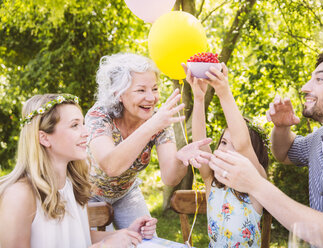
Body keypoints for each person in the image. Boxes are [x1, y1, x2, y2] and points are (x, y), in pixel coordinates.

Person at [208, 47, 323, 247]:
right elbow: (284, 153)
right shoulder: (321, 138)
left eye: (319, 79)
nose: (305, 87)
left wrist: (256, 184)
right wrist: (282, 128)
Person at [0, 94, 157, 248]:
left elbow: (81, 236)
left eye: (83, 123)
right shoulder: (20, 195)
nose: (86, 132)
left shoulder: (73, 184)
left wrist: (127, 233)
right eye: (75, 125)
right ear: (44, 138)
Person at [85, 53, 212, 229]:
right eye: (141, 90)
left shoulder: (159, 120)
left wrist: (182, 160)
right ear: (118, 93)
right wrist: (152, 125)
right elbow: (111, 166)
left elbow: (170, 178)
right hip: (85, 193)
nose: (152, 98)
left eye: (154, 89)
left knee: (147, 241)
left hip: (125, 194)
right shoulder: (100, 115)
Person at [180, 63, 268, 247]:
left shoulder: (257, 187)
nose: (226, 150)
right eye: (224, 143)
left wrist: (223, 91)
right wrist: (198, 98)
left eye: (235, 147)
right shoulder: (211, 181)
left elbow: (244, 145)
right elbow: (199, 142)